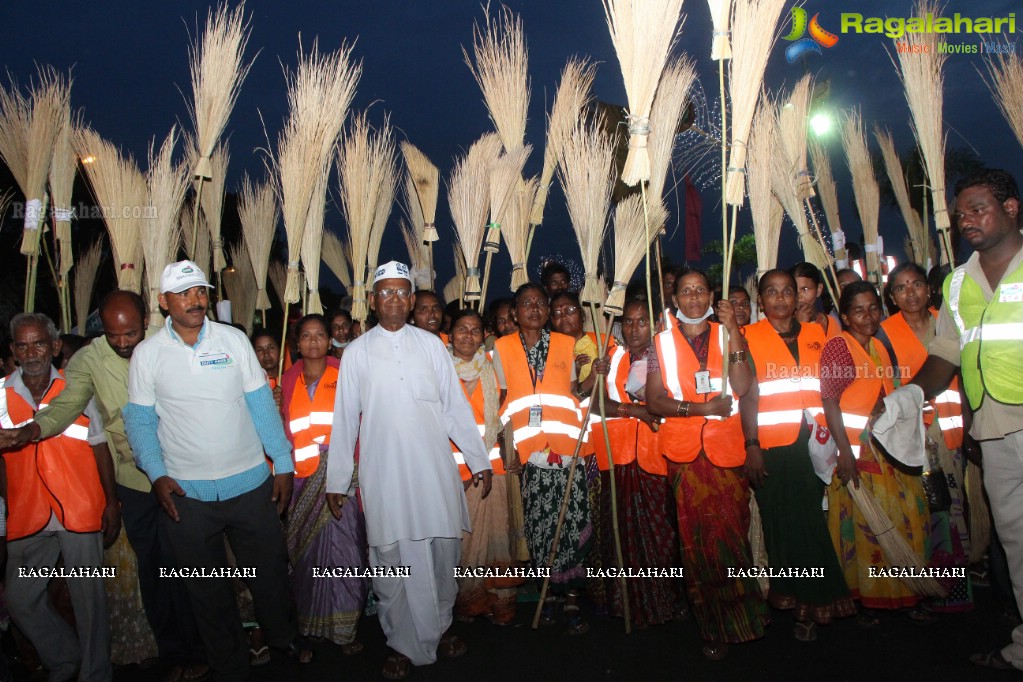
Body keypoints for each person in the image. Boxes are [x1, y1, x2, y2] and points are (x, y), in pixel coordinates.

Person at [0, 291, 207, 680]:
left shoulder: (171, 341)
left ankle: (205, 650)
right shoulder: (85, 364)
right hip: (125, 483)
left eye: (131, 333)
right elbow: (70, 409)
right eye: (115, 335)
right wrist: (33, 430)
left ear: (146, 321)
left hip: (179, 473)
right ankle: (173, 654)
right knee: (154, 571)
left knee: (191, 567)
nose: (124, 343)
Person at [123, 260, 310, 682]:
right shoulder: (148, 355)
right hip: (187, 499)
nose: (195, 300)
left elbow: (261, 404)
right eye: (184, 293)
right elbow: (139, 421)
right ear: (163, 302)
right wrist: (157, 475)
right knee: (207, 591)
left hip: (250, 487)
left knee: (269, 577)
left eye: (200, 291)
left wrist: (282, 462)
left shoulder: (233, 340)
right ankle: (231, 666)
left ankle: (283, 636)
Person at [325, 261, 493, 680]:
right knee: (391, 562)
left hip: (433, 474)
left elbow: (454, 408)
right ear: (372, 300)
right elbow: (345, 420)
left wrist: (479, 459)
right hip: (385, 477)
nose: (395, 300)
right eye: (386, 292)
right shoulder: (357, 353)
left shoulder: (432, 345)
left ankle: (438, 629)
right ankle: (401, 640)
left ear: (413, 300)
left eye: (403, 292)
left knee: (441, 554)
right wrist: (338, 480)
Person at [906, 170, 1023, 670]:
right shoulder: (956, 284)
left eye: (979, 209)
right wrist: (908, 394)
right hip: (993, 431)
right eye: (961, 214)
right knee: (1017, 542)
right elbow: (946, 357)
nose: (966, 220)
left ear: (1011, 208)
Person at [645, 268, 768, 660]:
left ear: (712, 295)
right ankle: (713, 625)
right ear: (675, 300)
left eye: (700, 290)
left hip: (727, 454)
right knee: (697, 545)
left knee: (732, 538)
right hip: (684, 458)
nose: (694, 297)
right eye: (686, 291)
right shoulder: (658, 344)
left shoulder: (728, 334)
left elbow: (744, 386)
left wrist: (733, 330)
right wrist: (700, 408)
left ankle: (744, 617)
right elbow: (654, 401)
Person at [741, 270, 855, 642]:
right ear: (761, 300)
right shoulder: (748, 337)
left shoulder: (818, 335)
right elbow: (749, 397)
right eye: (770, 292)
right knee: (780, 525)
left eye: (786, 291)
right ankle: (807, 598)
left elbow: (829, 396)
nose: (779, 298)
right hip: (772, 447)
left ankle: (809, 599)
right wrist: (752, 445)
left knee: (807, 520)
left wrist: (844, 448)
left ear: (797, 297)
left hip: (814, 445)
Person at [0, 313, 114, 682]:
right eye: (22, 344)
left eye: (37, 343)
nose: (30, 351)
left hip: (78, 509)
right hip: (28, 513)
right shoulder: (1, 394)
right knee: (20, 597)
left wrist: (112, 503)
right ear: (13, 351)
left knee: (89, 602)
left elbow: (99, 447)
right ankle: (64, 658)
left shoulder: (76, 388)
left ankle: (95, 674)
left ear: (54, 346)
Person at [820, 281, 931, 624]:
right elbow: (830, 401)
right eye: (858, 310)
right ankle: (865, 599)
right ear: (845, 316)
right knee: (864, 529)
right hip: (856, 452)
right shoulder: (839, 347)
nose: (867, 316)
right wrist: (845, 453)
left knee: (899, 520)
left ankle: (904, 593)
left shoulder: (879, 346)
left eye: (873, 308)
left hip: (886, 449)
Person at [492, 282, 592, 634]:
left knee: (569, 524)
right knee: (539, 530)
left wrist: (595, 374)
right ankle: (547, 596)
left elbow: (579, 392)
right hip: (530, 454)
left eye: (539, 303)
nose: (533, 309)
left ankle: (571, 598)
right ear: (515, 312)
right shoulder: (500, 349)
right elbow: (500, 404)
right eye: (525, 304)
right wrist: (508, 452)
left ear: (548, 311)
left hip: (567, 451)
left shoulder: (568, 344)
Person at [880, 262, 971, 613]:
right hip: (913, 441)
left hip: (953, 435)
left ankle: (956, 593)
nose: (911, 292)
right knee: (922, 518)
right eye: (901, 288)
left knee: (956, 516)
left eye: (917, 284)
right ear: (891, 297)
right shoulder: (884, 334)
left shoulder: (947, 323)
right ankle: (923, 591)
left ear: (929, 289)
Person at [589, 298, 682, 627]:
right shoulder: (612, 356)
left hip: (658, 456)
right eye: (628, 322)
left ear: (655, 324)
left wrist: (649, 410)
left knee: (662, 533)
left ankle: (662, 602)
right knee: (621, 535)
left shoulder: (667, 356)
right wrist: (636, 411)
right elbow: (597, 404)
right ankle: (626, 603)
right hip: (617, 458)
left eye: (642, 321)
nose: (634, 328)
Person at [280, 314, 368, 654]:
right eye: (306, 336)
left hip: (342, 476)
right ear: (297, 343)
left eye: (320, 335)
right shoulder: (287, 380)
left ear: (330, 340)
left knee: (346, 553)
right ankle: (310, 627)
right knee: (306, 555)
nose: (313, 341)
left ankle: (345, 630)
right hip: (302, 481)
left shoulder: (345, 372)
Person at [446, 309, 520, 624]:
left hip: (495, 468)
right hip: (455, 472)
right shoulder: (439, 372)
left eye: (475, 330)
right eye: (462, 329)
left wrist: (512, 450)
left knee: (498, 535)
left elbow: (508, 414)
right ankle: (468, 600)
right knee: (466, 540)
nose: (468, 336)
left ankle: (500, 600)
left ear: (482, 336)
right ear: (450, 335)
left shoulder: (494, 370)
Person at [791, 262, 840, 338]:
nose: (798, 297)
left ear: (819, 290)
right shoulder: (782, 323)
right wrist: (800, 326)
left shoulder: (829, 323)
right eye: (793, 290)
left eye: (805, 289)